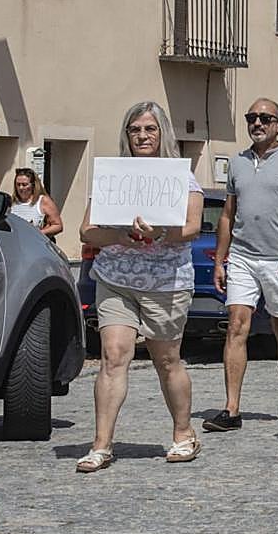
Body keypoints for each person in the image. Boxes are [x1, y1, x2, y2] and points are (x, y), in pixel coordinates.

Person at [75, 101, 205, 472]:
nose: (142, 136)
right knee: (114, 356)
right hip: (116, 279)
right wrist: (120, 236)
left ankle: (183, 433)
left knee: (166, 360)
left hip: (165, 283)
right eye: (135, 129)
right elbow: (87, 230)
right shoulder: (113, 176)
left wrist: (160, 233)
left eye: (150, 129)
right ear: (126, 135)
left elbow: (193, 227)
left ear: (162, 133)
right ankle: (101, 444)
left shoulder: (182, 178)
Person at [203, 98, 278, 432]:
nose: (257, 123)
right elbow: (227, 215)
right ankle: (231, 408)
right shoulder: (237, 163)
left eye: (265, 118)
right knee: (237, 325)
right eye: (252, 117)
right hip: (243, 258)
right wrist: (220, 261)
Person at [10, 167, 63, 238]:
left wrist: (38, 233)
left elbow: (58, 226)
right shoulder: (11, 203)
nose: (21, 188)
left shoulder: (43, 201)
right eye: (18, 184)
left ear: (33, 185)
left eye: (24, 184)